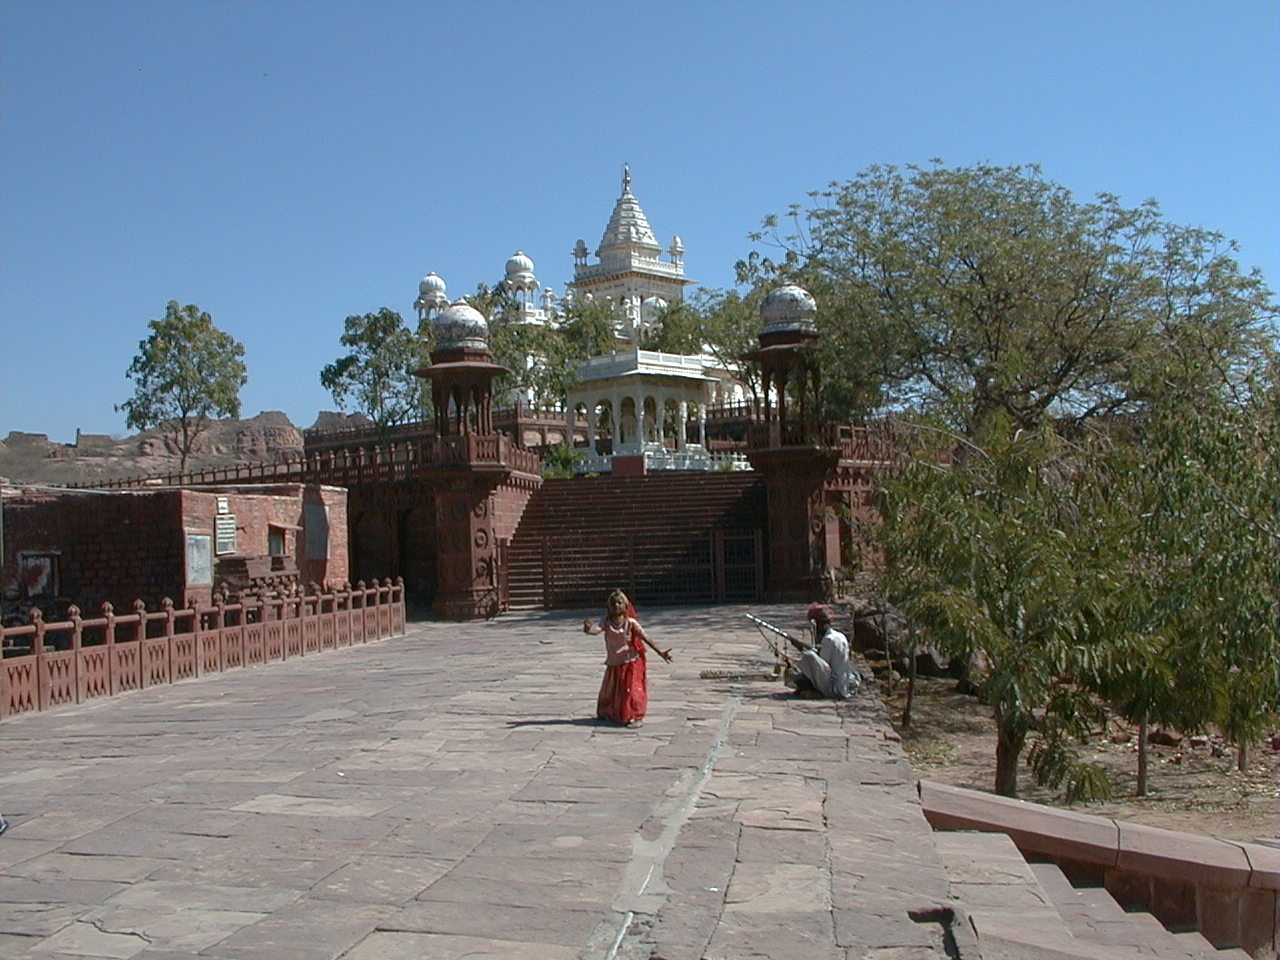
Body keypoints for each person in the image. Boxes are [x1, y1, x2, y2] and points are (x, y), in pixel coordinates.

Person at [583, 588, 672, 728]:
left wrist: (660, 652)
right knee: (613, 690)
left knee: (632, 690)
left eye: (619, 603)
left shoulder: (630, 623)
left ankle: (636, 716)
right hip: (615, 661)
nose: (616, 606)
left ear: (625, 605)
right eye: (613, 603)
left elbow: (645, 637)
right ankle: (612, 712)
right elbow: (596, 631)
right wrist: (588, 629)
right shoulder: (606, 622)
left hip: (631, 661)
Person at [789, 602, 855, 700]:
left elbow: (823, 666)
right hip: (842, 684)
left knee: (808, 656)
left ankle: (814, 691)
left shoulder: (828, 640)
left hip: (834, 687)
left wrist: (802, 649)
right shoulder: (840, 635)